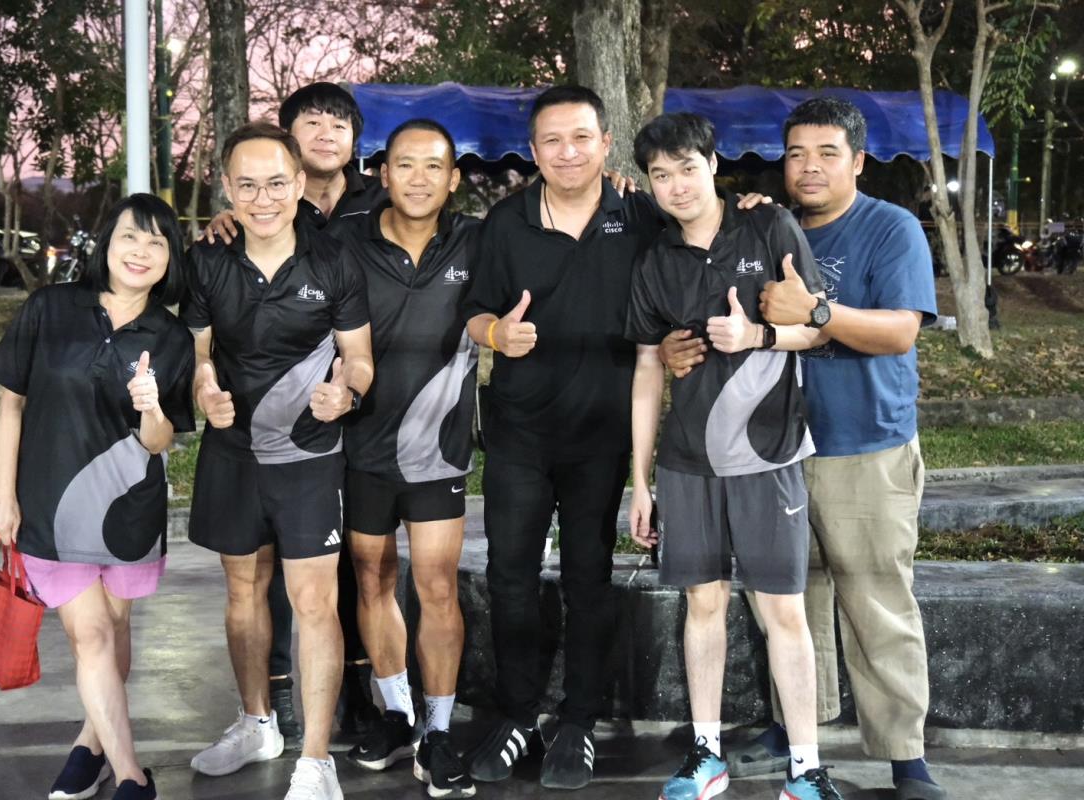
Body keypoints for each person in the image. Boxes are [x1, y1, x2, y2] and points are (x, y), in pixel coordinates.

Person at [665, 97, 943, 800]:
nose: (809, 167)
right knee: (788, 599)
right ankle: (800, 735)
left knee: (876, 599)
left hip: (862, 444)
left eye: (827, 154)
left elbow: (900, 332)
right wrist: (673, 350)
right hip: (772, 449)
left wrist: (818, 311)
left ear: (857, 161)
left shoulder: (890, 228)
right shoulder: (764, 226)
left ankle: (905, 756)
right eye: (796, 154)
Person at [625, 112, 842, 800]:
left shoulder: (768, 227)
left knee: (784, 612)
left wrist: (758, 336)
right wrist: (640, 480)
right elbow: (647, 370)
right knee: (703, 606)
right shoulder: (655, 261)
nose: (677, 186)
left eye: (688, 168)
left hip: (767, 456)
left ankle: (806, 769)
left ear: (713, 165)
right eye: (661, 175)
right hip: (687, 463)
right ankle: (706, 755)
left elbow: (817, 330)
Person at [460, 85, 662, 791]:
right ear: (534, 150)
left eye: (581, 138)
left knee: (589, 579)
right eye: (552, 140)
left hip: (601, 437)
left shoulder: (640, 215)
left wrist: (754, 206)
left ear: (606, 143)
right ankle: (517, 714)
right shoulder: (506, 222)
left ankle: (579, 720)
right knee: (509, 576)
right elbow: (474, 313)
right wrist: (496, 334)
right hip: (518, 433)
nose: (567, 152)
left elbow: (706, 228)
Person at [183, 120, 373, 800]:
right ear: (227, 189)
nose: (261, 199)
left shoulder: (334, 260)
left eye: (274, 183)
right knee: (243, 591)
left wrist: (346, 393)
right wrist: (204, 389)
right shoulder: (206, 260)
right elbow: (200, 355)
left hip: (309, 452)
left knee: (315, 601)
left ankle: (316, 761)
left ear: (298, 184)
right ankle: (256, 723)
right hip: (233, 451)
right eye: (247, 186)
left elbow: (359, 357)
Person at [0, 193, 195, 800]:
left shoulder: (172, 337)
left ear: (170, 260)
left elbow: (159, 441)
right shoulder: (50, 308)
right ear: (107, 243)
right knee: (92, 635)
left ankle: (90, 747)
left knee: (114, 630)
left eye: (157, 243)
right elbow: (11, 406)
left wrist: (151, 407)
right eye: (130, 236)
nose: (141, 251)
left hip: (128, 510)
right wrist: (4, 498)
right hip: (52, 506)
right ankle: (132, 775)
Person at [327, 118, 479, 799]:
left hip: (438, 452)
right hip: (360, 446)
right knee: (371, 576)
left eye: (433, 166)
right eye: (405, 165)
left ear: (453, 179)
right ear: (382, 174)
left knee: (438, 585)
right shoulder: (344, 243)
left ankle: (439, 731)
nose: (419, 179)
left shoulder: (479, 240)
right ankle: (397, 713)